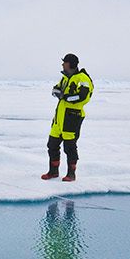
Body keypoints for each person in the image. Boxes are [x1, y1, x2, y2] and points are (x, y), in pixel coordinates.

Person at [43, 53, 93, 182]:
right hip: (59, 118)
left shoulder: (82, 78)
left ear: (71, 64)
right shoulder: (65, 78)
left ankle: (71, 174)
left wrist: (66, 97)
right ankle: (53, 172)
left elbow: (82, 96)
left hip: (72, 118)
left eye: (64, 62)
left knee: (69, 146)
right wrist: (56, 92)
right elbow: (56, 89)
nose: (62, 65)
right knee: (52, 144)